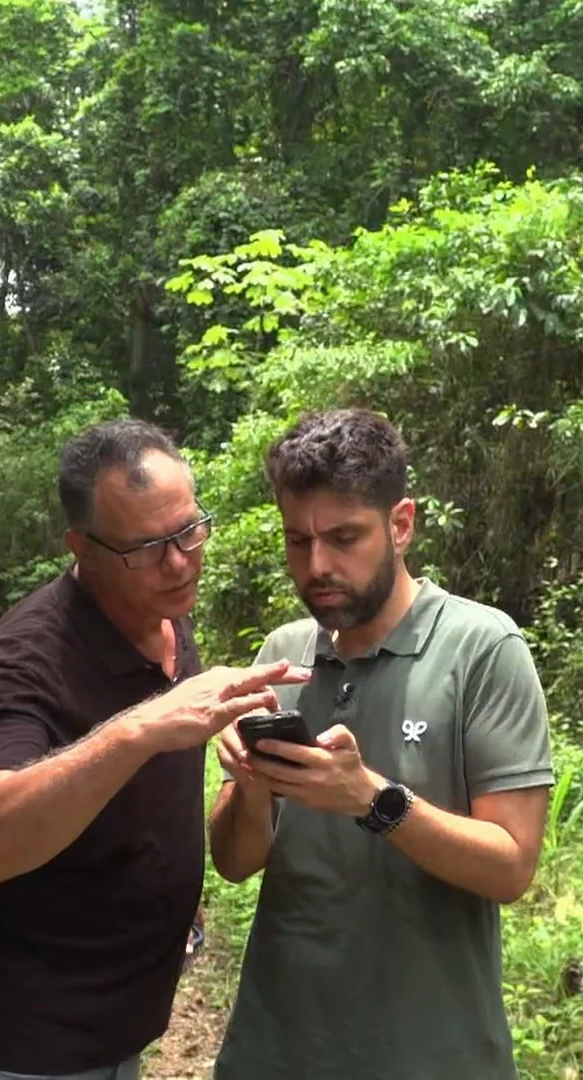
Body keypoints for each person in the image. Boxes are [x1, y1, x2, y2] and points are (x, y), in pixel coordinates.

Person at [0, 418, 309, 1079]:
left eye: (188, 531)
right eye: (148, 547)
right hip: (19, 1042)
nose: (180, 562)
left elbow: (145, 804)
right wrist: (138, 729)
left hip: (114, 1026)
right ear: (82, 547)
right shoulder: (23, 657)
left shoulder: (163, 607)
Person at [207, 408, 555, 1079]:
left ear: (400, 524)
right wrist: (250, 791)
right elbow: (234, 861)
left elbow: (511, 866)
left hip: (428, 1054)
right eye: (297, 541)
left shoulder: (481, 649)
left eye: (344, 538)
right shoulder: (283, 656)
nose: (317, 566)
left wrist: (372, 799)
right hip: (276, 1047)